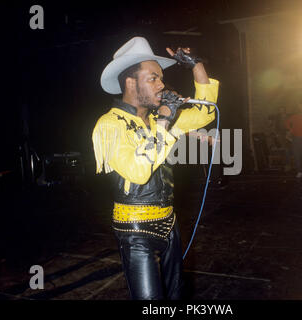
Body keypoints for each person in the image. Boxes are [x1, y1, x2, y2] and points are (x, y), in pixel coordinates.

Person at [92, 37, 219, 300]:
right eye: (152, 78)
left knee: (176, 297)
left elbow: (206, 113)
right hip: (135, 230)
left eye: (161, 78)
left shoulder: (157, 118)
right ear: (130, 83)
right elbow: (138, 171)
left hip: (169, 223)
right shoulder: (109, 124)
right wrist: (165, 120)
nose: (161, 85)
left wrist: (196, 66)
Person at [285, 101, 302, 178]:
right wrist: (291, 130)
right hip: (296, 137)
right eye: (299, 105)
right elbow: (286, 122)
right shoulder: (295, 116)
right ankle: (300, 171)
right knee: (297, 155)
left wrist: (292, 131)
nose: (300, 107)